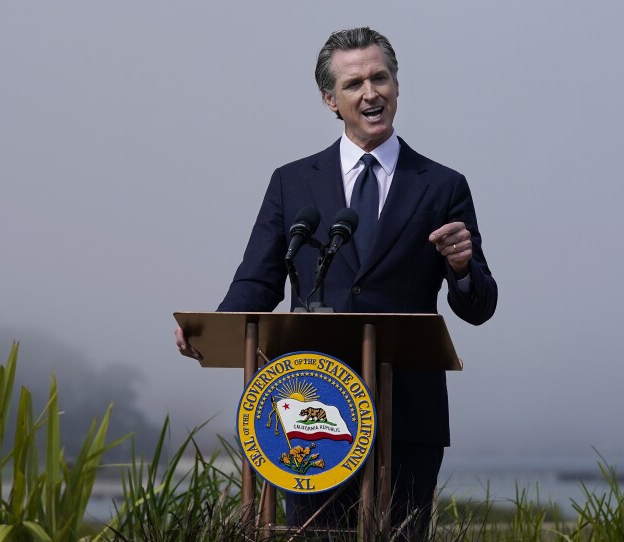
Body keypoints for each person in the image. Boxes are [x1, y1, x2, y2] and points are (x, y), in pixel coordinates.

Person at [175, 27, 497, 540]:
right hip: (309, 405)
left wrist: (462, 268)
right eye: (354, 84)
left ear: (396, 85)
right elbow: (257, 281)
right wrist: (213, 328)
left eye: (380, 78)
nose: (371, 93)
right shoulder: (292, 181)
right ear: (331, 99)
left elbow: (479, 305)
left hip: (407, 413)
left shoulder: (442, 185)